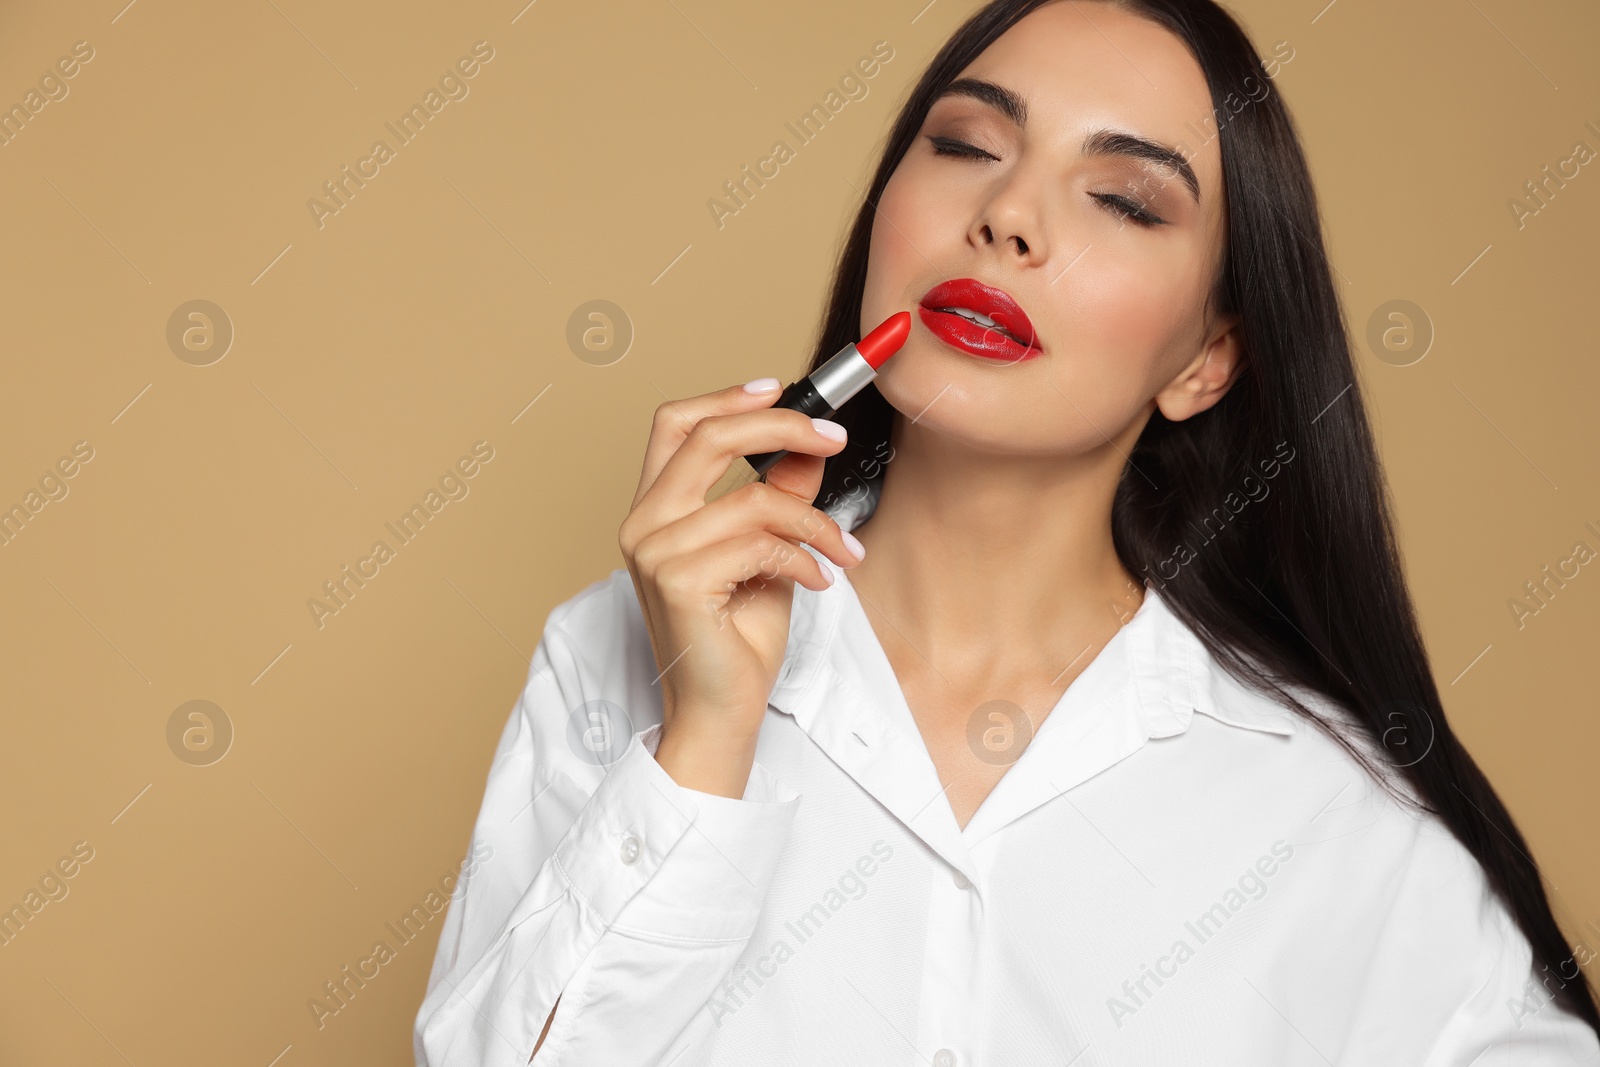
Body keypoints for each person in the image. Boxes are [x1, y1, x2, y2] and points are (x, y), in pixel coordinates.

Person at [413, 1, 1600, 1063]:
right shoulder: (613, 658)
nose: (1009, 217)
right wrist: (706, 743)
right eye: (968, 145)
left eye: (1125, 200)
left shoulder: (1341, 814)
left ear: (1206, 359)